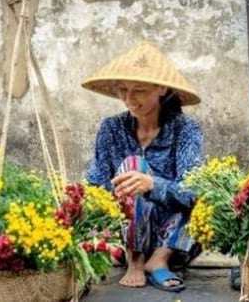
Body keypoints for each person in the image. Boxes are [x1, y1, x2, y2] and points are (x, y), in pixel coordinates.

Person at [82, 41, 204, 293]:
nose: (129, 99)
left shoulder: (185, 130)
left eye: (138, 90)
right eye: (123, 90)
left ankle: (158, 261)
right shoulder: (111, 129)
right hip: (124, 232)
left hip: (176, 240)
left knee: (210, 194)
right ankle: (134, 259)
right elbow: (96, 183)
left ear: (161, 89)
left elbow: (192, 190)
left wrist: (152, 185)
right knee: (132, 167)